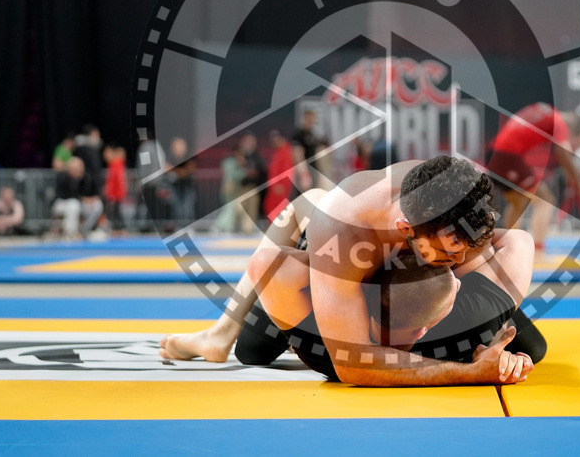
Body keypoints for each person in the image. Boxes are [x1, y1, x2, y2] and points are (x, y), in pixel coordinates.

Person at [160, 155, 546, 386]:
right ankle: (222, 331)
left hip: (408, 300)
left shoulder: (451, 202)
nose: (458, 263)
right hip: (339, 275)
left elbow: (508, 243)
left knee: (532, 347)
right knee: (253, 349)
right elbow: (351, 365)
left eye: (465, 252)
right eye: (448, 256)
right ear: (405, 229)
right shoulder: (344, 227)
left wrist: (481, 337)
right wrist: (472, 371)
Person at [231, 235, 533, 384]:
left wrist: (355, 263)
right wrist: (476, 368)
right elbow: (519, 239)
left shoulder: (324, 345)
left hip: (328, 279)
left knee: (249, 353)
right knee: (535, 347)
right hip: (345, 266)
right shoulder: (469, 320)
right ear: (422, 330)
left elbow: (263, 262)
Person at [486, 103, 580, 253]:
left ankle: (507, 247)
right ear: (570, 129)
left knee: (518, 201)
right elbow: (564, 156)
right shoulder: (560, 123)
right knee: (546, 200)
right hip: (507, 157)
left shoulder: (543, 108)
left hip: (494, 153)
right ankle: (538, 250)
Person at [52, 157, 102, 239]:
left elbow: (90, 192)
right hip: (62, 203)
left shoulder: (85, 177)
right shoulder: (62, 177)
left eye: (81, 166)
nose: (80, 169)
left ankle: (85, 230)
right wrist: (82, 199)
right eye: (77, 166)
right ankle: (70, 232)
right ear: (70, 167)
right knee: (73, 205)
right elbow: (65, 195)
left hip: (80, 203)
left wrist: (90, 200)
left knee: (97, 204)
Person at [263, 130, 295, 223]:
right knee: (271, 207)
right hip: (275, 186)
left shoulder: (286, 152)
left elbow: (287, 170)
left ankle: (277, 229)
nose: (273, 142)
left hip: (279, 187)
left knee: (277, 209)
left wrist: (281, 185)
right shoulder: (278, 152)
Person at [167, 137, 197, 227]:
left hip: (187, 187)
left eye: (181, 146)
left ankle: (188, 227)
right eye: (177, 146)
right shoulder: (170, 157)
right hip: (175, 188)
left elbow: (188, 170)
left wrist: (174, 170)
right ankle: (179, 227)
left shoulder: (189, 157)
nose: (179, 148)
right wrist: (179, 171)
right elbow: (165, 168)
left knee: (187, 208)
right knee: (176, 208)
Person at [103, 145, 129, 237]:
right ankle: (118, 228)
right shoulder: (115, 164)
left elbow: (117, 180)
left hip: (116, 193)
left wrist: (112, 193)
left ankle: (119, 228)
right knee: (116, 212)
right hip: (116, 192)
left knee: (115, 212)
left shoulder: (116, 164)